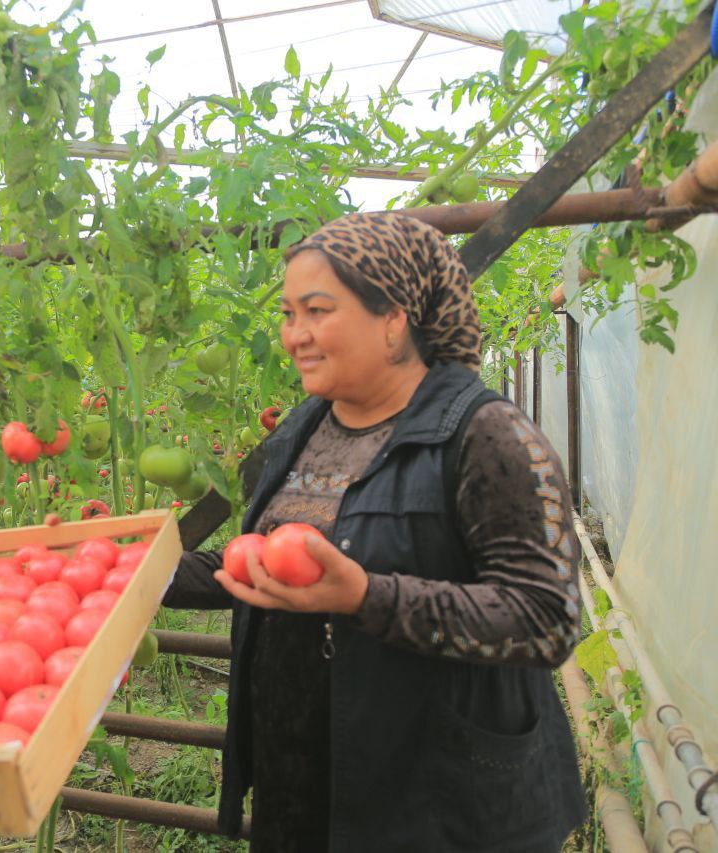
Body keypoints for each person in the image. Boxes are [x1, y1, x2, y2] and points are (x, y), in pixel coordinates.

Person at [164, 213, 586, 852]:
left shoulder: (487, 436)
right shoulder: (303, 428)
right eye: (288, 314)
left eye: (317, 311)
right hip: (306, 788)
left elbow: (546, 619)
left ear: (394, 320)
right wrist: (127, 570)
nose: (294, 336)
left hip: (435, 806)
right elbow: (261, 566)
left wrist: (365, 596)